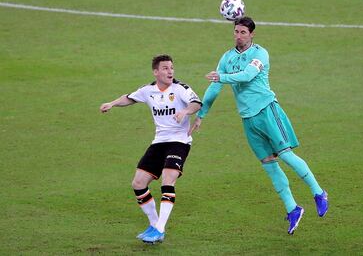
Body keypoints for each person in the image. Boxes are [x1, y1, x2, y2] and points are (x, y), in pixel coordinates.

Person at [189, 17, 328, 235]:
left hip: (267, 110)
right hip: (248, 119)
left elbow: (248, 76)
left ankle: (318, 193)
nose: (238, 35)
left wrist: (222, 77)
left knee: (286, 155)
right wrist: (202, 114)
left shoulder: (260, 54)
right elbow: (215, 87)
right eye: (236, 31)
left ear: (252, 34)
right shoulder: (226, 58)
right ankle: (293, 208)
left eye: (243, 32)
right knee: (269, 165)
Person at [100, 54, 202, 243]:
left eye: (171, 67)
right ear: (156, 72)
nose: (170, 71)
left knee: (167, 180)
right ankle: (154, 224)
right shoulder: (148, 90)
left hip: (179, 141)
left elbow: (196, 103)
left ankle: (160, 230)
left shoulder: (181, 88)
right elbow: (129, 98)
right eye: (165, 68)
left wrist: (185, 111)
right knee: (138, 183)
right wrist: (112, 103)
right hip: (159, 142)